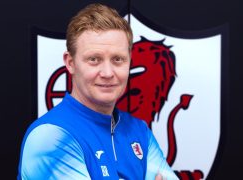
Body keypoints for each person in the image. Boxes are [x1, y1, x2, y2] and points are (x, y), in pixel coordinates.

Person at [18, 3, 179, 180]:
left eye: (118, 59)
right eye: (94, 59)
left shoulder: (139, 130)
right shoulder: (50, 136)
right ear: (70, 63)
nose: (108, 73)